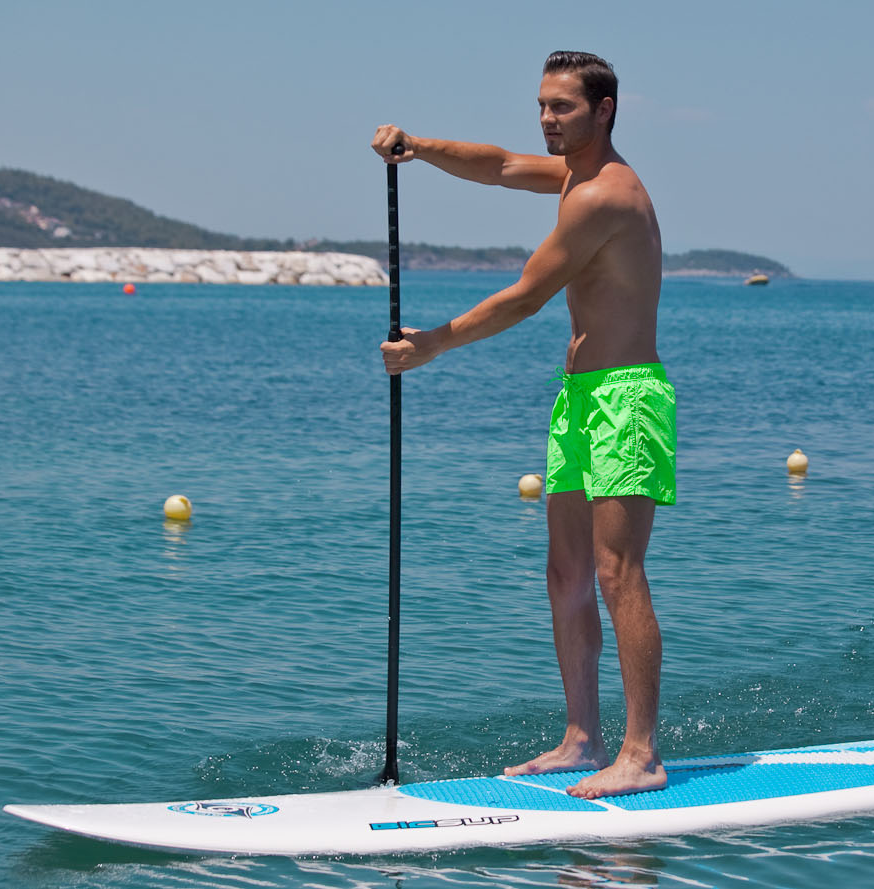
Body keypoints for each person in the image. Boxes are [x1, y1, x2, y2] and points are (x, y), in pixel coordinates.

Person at [373, 50, 675, 799]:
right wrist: (419, 147)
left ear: (603, 110)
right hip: (577, 399)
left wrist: (432, 343)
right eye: (542, 104)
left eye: (562, 107)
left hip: (626, 398)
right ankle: (582, 738)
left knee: (616, 571)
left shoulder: (605, 194)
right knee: (566, 573)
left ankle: (641, 753)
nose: (546, 118)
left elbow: (526, 297)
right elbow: (502, 165)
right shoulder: (572, 175)